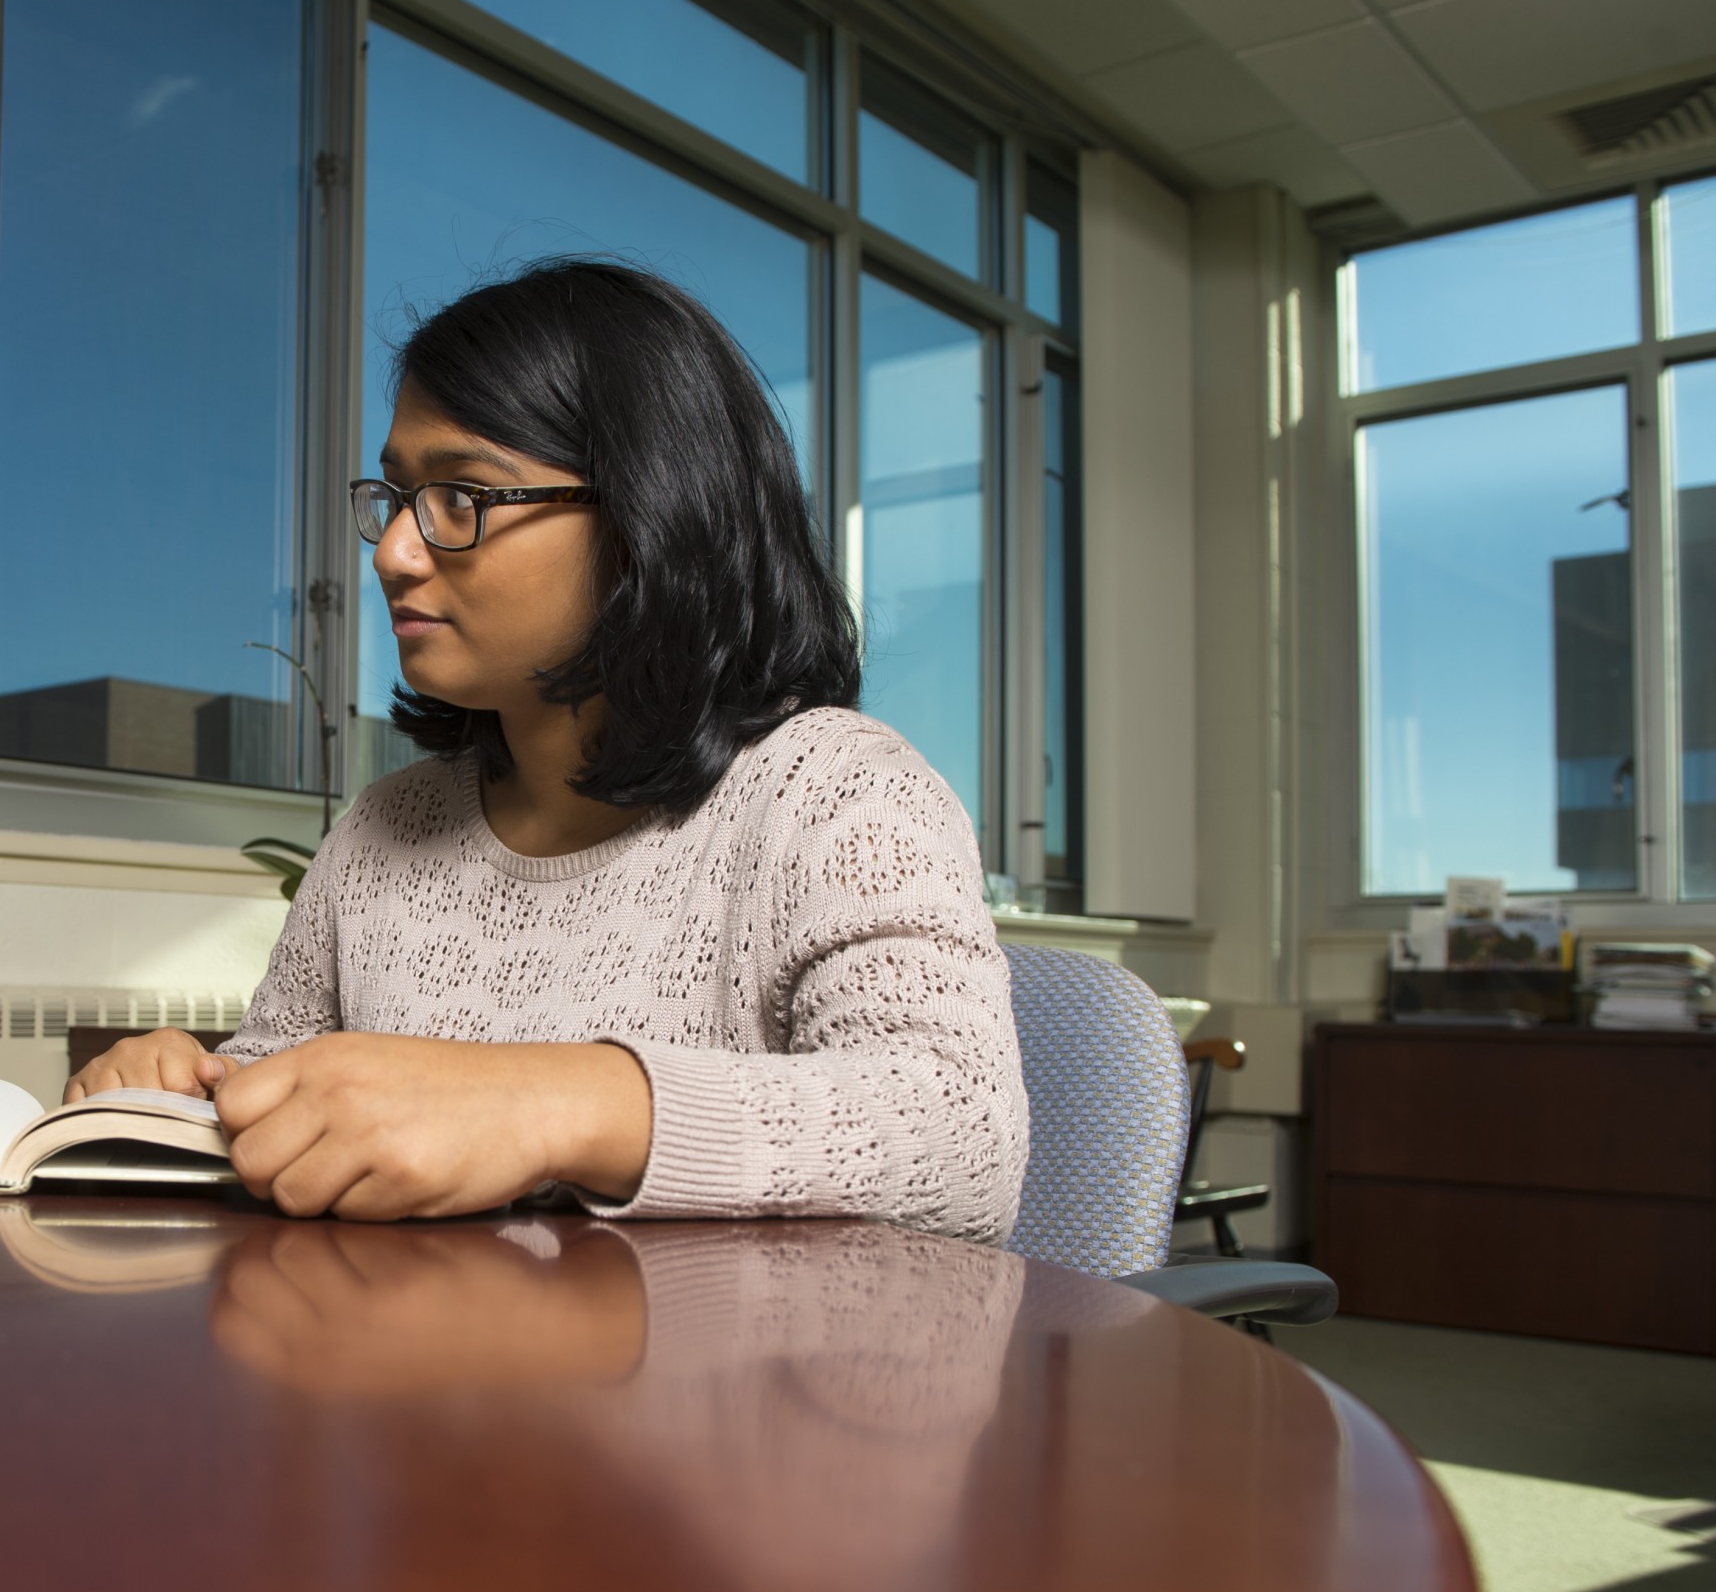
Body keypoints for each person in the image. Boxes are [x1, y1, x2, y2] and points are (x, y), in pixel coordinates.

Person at [69, 260, 1025, 1238]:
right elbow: (281, 1096)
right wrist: (183, 1090)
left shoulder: (834, 793)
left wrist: (552, 1102)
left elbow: (962, 1137)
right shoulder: (383, 830)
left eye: (461, 496)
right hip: (412, 1371)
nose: (394, 551)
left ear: (647, 516)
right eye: (396, 496)